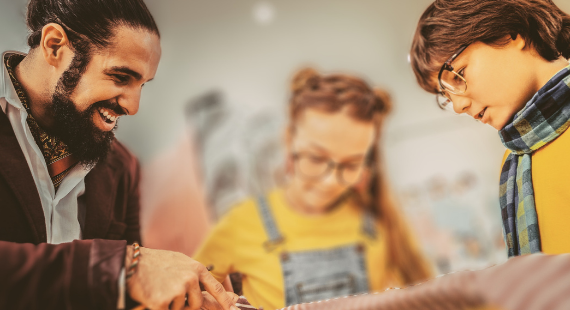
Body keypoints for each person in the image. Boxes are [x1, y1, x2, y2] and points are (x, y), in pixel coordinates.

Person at [0, 0, 239, 309]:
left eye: (142, 84)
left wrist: (180, 297)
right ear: (55, 46)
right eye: (120, 77)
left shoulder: (122, 166)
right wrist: (121, 266)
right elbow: (119, 272)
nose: (132, 107)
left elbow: (121, 294)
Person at [194, 68, 433, 310]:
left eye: (351, 164)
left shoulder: (377, 221)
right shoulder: (242, 222)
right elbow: (189, 295)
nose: (330, 181)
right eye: (316, 158)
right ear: (288, 139)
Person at [409, 0, 570, 256]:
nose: (459, 106)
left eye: (458, 74)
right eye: (447, 97)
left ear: (509, 33)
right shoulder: (514, 159)